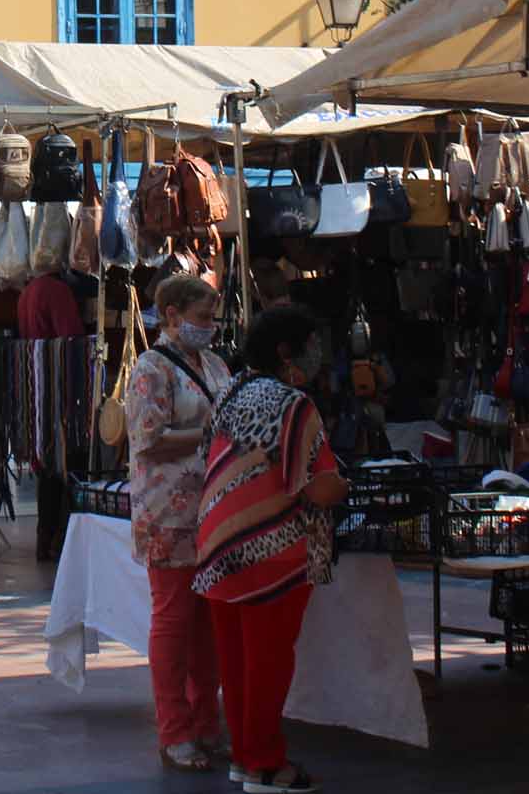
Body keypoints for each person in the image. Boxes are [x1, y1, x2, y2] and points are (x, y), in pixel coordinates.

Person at [194, 304, 345, 794]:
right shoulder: (293, 404)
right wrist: (344, 485)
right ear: (286, 352)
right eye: (309, 343)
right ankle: (264, 765)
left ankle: (245, 756)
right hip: (271, 550)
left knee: (237, 664)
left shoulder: (229, 391)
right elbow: (318, 485)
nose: (316, 354)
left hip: (219, 546)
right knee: (268, 664)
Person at [126, 274, 234, 773]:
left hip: (214, 510)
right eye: (201, 317)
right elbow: (149, 439)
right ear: (172, 315)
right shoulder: (150, 368)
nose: (209, 327)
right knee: (173, 621)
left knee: (209, 624)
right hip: (167, 513)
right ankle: (174, 731)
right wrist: (206, 434)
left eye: (212, 318)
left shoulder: (214, 365)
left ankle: (206, 724)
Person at [19, 268, 88, 562]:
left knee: (46, 463)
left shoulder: (27, 291)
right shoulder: (56, 291)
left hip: (39, 384)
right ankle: (63, 538)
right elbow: (71, 338)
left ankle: (45, 537)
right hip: (60, 384)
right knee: (67, 460)